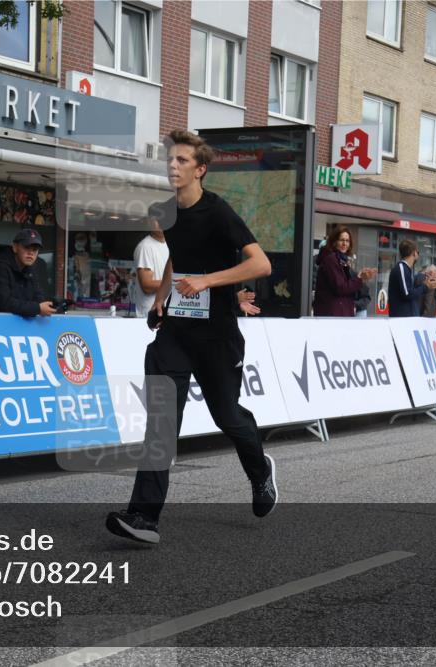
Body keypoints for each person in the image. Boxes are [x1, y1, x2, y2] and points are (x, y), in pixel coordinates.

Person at [105, 129, 275, 545]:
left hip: (217, 336)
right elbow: (174, 260)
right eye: (170, 160)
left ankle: (260, 471)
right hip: (177, 333)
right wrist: (162, 299)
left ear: (200, 170)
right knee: (162, 422)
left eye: (182, 161)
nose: (172, 166)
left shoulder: (219, 213)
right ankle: (144, 517)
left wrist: (207, 281)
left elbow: (261, 264)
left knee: (227, 416)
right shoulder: (167, 213)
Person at [0, 227, 58, 317]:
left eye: (35, 250)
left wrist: (52, 306)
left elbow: (38, 297)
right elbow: (4, 303)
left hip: (11, 327)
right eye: (27, 247)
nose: (31, 253)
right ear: (15, 247)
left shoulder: (30, 270)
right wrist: (37, 308)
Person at [311, 226, 376, 317]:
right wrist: (359, 279)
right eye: (341, 240)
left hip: (338, 312)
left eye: (347, 241)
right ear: (334, 242)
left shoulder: (340, 259)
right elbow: (341, 287)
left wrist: (360, 277)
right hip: (332, 314)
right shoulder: (331, 260)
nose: (344, 244)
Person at [132, 215, 170, 318]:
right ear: (149, 223)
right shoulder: (145, 247)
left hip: (166, 312)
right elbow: (147, 286)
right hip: (149, 314)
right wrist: (177, 283)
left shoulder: (170, 245)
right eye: (156, 220)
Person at [388, 239, 430, 317]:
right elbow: (407, 294)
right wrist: (425, 287)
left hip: (405, 317)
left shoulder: (405, 269)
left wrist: (425, 285)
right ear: (414, 253)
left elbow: (408, 292)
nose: (418, 255)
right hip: (401, 318)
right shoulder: (402, 268)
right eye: (418, 252)